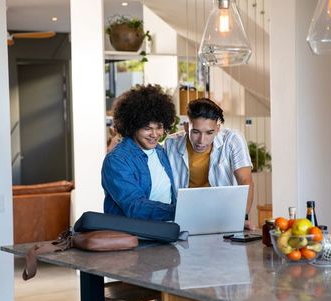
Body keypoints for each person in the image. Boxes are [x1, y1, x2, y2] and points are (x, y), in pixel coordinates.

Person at [164, 98, 255, 228]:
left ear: (217, 129)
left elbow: (246, 180)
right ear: (185, 127)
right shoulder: (171, 144)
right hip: (186, 216)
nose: (202, 140)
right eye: (195, 132)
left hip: (225, 215)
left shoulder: (233, 140)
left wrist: (239, 218)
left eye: (209, 132)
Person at [101, 84, 177, 221]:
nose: (154, 134)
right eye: (147, 128)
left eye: (159, 127)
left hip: (166, 231)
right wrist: (179, 210)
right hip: (133, 237)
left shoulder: (160, 152)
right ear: (133, 126)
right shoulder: (117, 160)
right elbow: (135, 207)